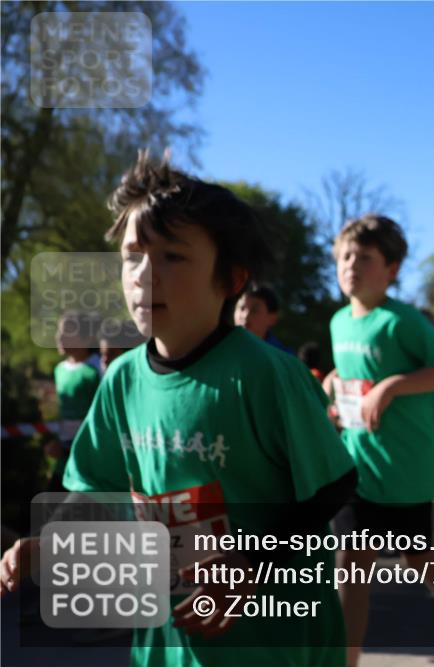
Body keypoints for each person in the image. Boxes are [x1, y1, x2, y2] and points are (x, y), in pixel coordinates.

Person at [1, 152, 359, 666]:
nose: (146, 275)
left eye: (173, 256)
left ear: (231, 278)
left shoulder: (264, 375)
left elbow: (331, 492)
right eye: (132, 257)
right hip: (169, 636)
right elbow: (95, 491)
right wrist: (47, 543)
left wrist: (247, 567)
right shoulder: (122, 379)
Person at [328, 214, 434, 665]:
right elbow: (353, 375)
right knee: (351, 572)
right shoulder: (338, 322)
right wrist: (335, 387)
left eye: (365, 257)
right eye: (345, 256)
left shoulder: (402, 321)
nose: (351, 264)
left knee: (421, 561)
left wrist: (391, 386)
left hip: (408, 470)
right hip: (359, 469)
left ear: (391, 269)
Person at [47, 311, 102, 492]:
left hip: (90, 457)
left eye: (67, 332)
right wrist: (57, 441)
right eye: (58, 331)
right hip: (64, 457)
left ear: (87, 338)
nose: (59, 337)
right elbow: (64, 413)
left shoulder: (98, 368)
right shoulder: (59, 370)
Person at [234, 282, 293, 353]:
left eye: (255, 310)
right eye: (242, 308)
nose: (245, 316)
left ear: (272, 319)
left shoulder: (283, 358)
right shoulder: (221, 345)